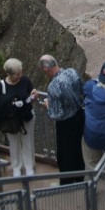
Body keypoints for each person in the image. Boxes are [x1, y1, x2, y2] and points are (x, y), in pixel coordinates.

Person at [39, 55, 85, 184]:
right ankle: (80, 177)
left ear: (46, 69)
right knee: (77, 148)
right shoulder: (72, 72)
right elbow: (83, 89)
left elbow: (56, 114)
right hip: (80, 116)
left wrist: (48, 105)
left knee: (65, 154)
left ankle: (67, 182)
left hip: (66, 123)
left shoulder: (53, 86)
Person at [0, 58, 37, 177]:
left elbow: (31, 93)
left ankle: (29, 166)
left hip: (26, 116)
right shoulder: (1, 85)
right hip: (11, 119)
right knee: (14, 144)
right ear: (9, 74)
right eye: (17, 74)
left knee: (28, 141)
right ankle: (16, 167)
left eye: (21, 72)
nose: (20, 75)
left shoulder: (25, 80)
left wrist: (33, 95)